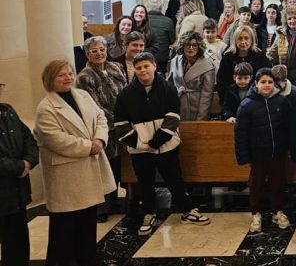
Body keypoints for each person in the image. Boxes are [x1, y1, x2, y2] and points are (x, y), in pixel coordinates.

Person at [114, 53, 210, 236]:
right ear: (134, 70)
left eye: (146, 66)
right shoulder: (125, 94)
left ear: (154, 66)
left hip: (166, 145)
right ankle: (149, 214)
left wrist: (157, 141)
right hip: (140, 148)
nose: (143, 71)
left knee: (175, 179)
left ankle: (186, 210)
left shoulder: (168, 88)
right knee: (145, 183)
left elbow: (173, 117)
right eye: (139, 67)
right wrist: (138, 143)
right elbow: (120, 122)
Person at [34, 60, 116, 264]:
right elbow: (54, 139)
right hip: (67, 175)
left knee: (87, 223)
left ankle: (86, 259)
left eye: (70, 73)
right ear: (50, 79)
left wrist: (99, 139)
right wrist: (88, 147)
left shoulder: (83, 95)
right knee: (64, 228)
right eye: (62, 75)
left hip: (88, 169)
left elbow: (100, 118)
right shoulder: (46, 108)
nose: (68, 77)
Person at [234, 68, 295, 233]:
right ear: (256, 84)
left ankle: (277, 211)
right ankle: (256, 213)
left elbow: (289, 128)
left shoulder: (282, 102)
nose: (267, 85)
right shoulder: (247, 105)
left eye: (270, 82)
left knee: (277, 183)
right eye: (263, 82)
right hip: (257, 155)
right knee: (256, 185)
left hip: (277, 153)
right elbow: (241, 134)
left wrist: (291, 149)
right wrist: (244, 157)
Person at [75, 36, 128, 220]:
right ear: (88, 54)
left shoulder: (116, 67)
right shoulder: (84, 77)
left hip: (122, 126)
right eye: (94, 51)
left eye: (102, 49)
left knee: (120, 164)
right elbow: (93, 106)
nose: (99, 54)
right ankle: (102, 207)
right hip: (102, 128)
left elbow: (126, 92)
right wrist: (120, 118)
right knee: (105, 167)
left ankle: (118, 201)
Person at [0, 88, 39, 266]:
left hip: (16, 192)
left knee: (17, 244)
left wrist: (29, 161)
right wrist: (19, 166)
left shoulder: (7, 110)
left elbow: (28, 138)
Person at [168, 31, 216, 121]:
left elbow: (207, 96)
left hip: (195, 108)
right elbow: (169, 85)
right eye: (187, 44)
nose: (191, 48)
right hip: (177, 106)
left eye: (194, 45)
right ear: (182, 46)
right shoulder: (175, 61)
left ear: (199, 47)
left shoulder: (207, 66)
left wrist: (201, 119)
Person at [216, 25, 270, 101]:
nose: (243, 42)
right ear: (235, 40)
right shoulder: (227, 58)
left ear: (252, 40)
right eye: (240, 38)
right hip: (232, 100)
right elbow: (221, 81)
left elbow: (266, 78)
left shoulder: (260, 57)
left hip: (256, 99)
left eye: (246, 38)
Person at [148, 0, 176, 69]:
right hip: (162, 57)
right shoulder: (168, 21)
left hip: (147, 56)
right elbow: (172, 40)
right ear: (161, 6)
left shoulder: (144, 20)